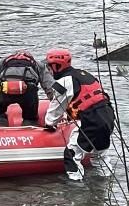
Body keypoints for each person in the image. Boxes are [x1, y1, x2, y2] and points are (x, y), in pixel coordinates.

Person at [43, 48, 115, 181]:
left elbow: (56, 107)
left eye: (49, 66)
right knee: (100, 157)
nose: (49, 70)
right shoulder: (86, 74)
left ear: (56, 66)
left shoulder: (63, 82)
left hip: (91, 120)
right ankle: (106, 185)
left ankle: (76, 187)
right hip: (108, 116)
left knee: (71, 155)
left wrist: (49, 123)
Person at [0, 51, 55, 127]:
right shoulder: (38, 65)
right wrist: (62, 107)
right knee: (30, 119)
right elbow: (51, 87)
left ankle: (0, 129)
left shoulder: (1, 63)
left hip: (4, 90)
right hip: (28, 91)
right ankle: (29, 130)